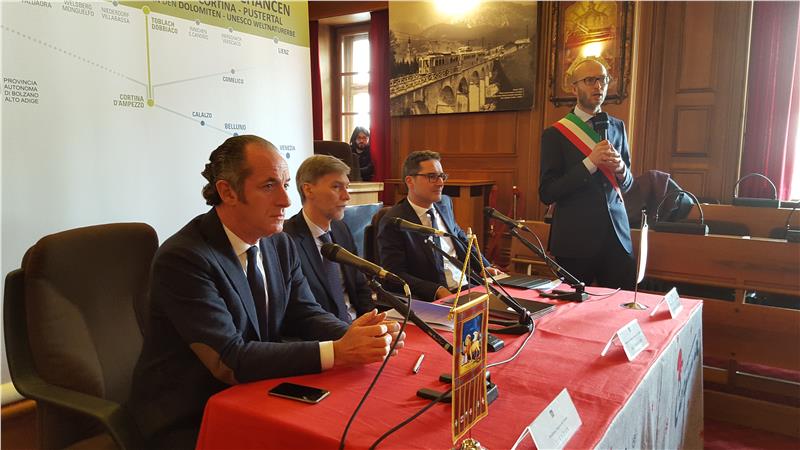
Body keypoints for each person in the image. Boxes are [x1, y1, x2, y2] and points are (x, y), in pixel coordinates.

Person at [129, 135, 404, 449]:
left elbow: (303, 313)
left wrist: (358, 335)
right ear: (227, 192)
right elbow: (230, 360)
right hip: (194, 413)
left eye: (285, 184)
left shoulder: (279, 242)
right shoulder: (185, 258)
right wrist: (339, 351)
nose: (286, 200)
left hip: (259, 391)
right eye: (269, 186)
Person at [539, 56, 636, 290]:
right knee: (573, 308)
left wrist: (621, 170)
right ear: (574, 88)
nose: (599, 86)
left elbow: (628, 183)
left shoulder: (617, 127)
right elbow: (547, 192)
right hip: (576, 241)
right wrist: (589, 164)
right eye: (590, 80)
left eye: (603, 79)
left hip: (617, 238)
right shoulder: (555, 134)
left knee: (617, 306)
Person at [377, 150, 500, 301]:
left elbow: (461, 239)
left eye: (442, 176)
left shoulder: (445, 203)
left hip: (467, 287)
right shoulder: (394, 221)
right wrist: (436, 290)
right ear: (410, 181)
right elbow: (394, 275)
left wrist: (484, 267)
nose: (441, 183)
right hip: (431, 298)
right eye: (432, 177)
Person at [283, 154, 373, 322]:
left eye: (347, 187)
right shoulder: (286, 239)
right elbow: (298, 310)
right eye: (337, 187)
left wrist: (372, 321)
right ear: (308, 190)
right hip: (323, 333)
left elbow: (360, 287)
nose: (346, 196)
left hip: (359, 325)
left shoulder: (341, 229)